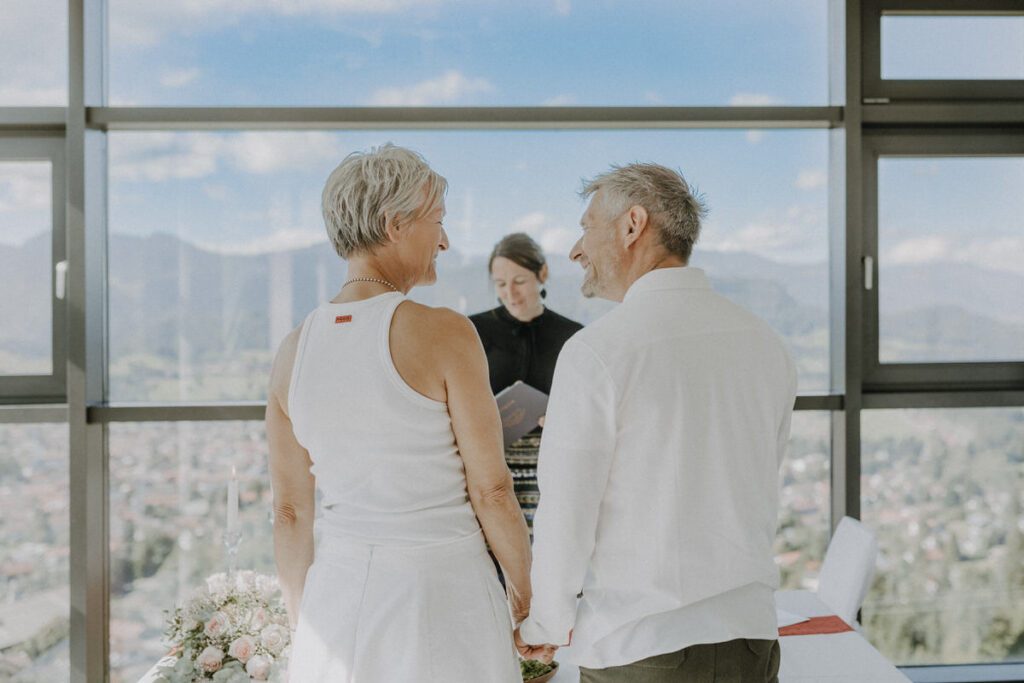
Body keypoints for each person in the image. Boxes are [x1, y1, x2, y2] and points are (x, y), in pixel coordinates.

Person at [516, 163, 797, 683]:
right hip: (752, 645)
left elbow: (567, 516)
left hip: (641, 649)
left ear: (631, 225)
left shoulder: (598, 353)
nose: (576, 251)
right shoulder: (766, 343)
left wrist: (545, 626)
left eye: (585, 228)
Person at [266, 144, 533, 682]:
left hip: (335, 598)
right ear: (394, 224)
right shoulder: (445, 332)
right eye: (437, 221)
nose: (445, 240)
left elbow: (291, 511)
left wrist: (304, 621)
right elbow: (493, 491)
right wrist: (527, 597)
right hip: (442, 593)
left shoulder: (292, 351)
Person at [470, 233, 583, 535]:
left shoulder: (573, 337)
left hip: (553, 474)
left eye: (519, 281)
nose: (510, 294)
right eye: (501, 284)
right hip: (490, 474)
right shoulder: (472, 332)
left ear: (542, 273)